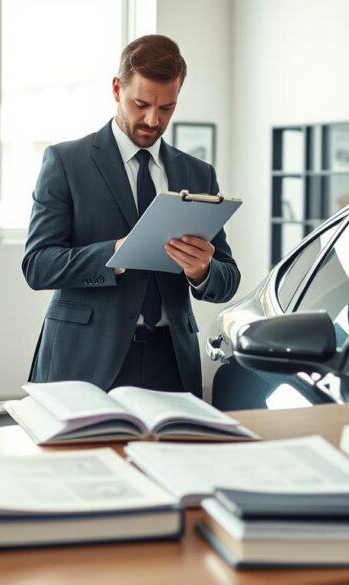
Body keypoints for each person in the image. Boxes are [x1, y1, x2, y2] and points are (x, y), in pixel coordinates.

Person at [22, 34, 240, 398]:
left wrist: (202, 270)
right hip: (84, 359)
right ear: (116, 89)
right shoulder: (66, 162)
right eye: (141, 104)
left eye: (167, 108)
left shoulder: (198, 174)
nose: (153, 120)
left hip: (170, 361)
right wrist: (118, 253)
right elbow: (38, 266)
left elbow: (228, 279)